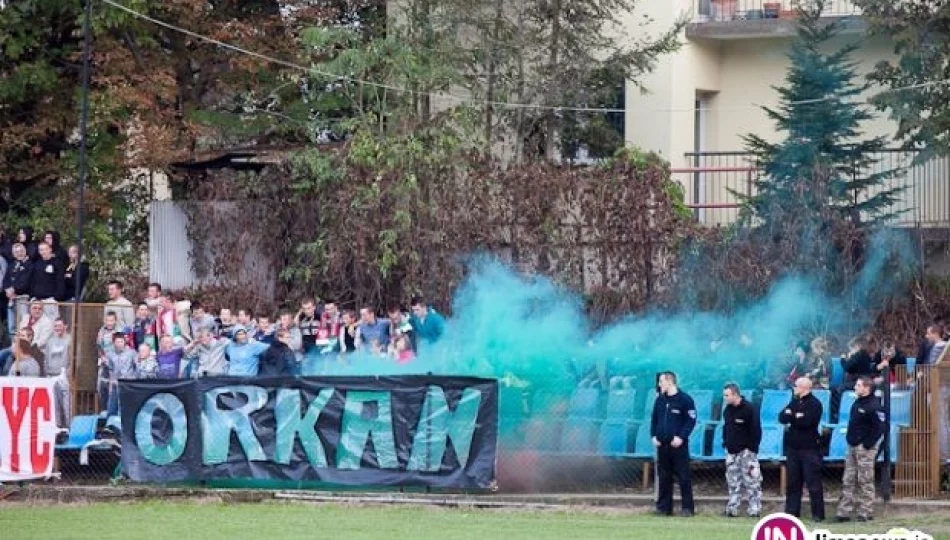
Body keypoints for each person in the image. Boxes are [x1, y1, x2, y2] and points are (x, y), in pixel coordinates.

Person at [836, 376, 885, 523]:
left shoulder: (875, 405)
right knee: (848, 478)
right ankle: (844, 512)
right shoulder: (857, 403)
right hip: (852, 445)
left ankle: (866, 511)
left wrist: (866, 445)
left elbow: (880, 427)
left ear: (866, 388)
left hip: (864, 447)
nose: (855, 387)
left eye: (858, 385)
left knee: (865, 479)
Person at [650, 371, 696, 517]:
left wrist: (681, 437)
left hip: (678, 446)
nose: (659, 385)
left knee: (683, 477)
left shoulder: (685, 399)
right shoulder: (659, 400)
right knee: (664, 477)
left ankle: (687, 508)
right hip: (662, 445)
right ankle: (664, 508)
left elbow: (690, 421)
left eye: (661, 382)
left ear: (670, 382)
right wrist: (653, 436)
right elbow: (654, 419)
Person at [779, 376, 825, 522]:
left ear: (804, 388)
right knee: (793, 482)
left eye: (796, 386)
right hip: (793, 449)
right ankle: (792, 512)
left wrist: (792, 416)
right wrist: (794, 416)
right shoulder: (793, 402)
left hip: (809, 449)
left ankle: (818, 514)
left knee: (813, 483)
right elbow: (782, 417)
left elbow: (806, 422)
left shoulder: (815, 404)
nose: (794, 389)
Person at [721, 383, 762, 518]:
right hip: (731, 452)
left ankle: (754, 509)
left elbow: (756, 430)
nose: (725, 398)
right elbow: (726, 429)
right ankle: (732, 509)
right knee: (732, 481)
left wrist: (750, 449)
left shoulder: (749, 409)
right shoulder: (727, 410)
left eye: (727, 395)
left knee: (752, 481)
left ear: (735, 394)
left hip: (746, 452)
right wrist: (726, 443)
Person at [43, 318, 72, 426]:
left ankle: (69, 426)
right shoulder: (50, 341)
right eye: (55, 326)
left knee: (66, 403)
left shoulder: (70, 339)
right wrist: (46, 372)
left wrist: (68, 373)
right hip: (51, 374)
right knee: (54, 403)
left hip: (63, 374)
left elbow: (73, 358)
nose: (57, 328)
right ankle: (57, 427)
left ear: (65, 326)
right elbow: (46, 358)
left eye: (59, 326)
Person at [3, 243, 33, 334]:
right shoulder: (12, 265)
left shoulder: (29, 264)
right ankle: (13, 346)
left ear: (25, 251)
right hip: (11, 299)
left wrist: (14, 289)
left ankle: (22, 347)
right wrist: (7, 290)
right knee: (12, 326)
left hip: (23, 298)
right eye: (16, 252)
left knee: (23, 324)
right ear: (13, 254)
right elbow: (5, 280)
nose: (19, 253)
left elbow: (26, 281)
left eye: (21, 251)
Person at [105, 332, 137, 415]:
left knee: (125, 407)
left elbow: (137, 367)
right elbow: (111, 370)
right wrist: (111, 386)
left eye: (121, 342)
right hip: (116, 383)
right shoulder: (110, 354)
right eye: (117, 342)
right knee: (111, 407)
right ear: (114, 343)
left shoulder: (132, 353)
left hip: (128, 384)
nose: (119, 344)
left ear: (124, 341)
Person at [96, 312, 121, 412]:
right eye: (107, 320)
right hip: (104, 363)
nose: (109, 323)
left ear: (115, 321)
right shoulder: (101, 331)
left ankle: (113, 411)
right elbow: (99, 346)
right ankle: (104, 409)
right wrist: (102, 357)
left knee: (113, 388)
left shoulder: (119, 331)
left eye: (111, 320)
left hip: (115, 364)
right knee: (101, 386)